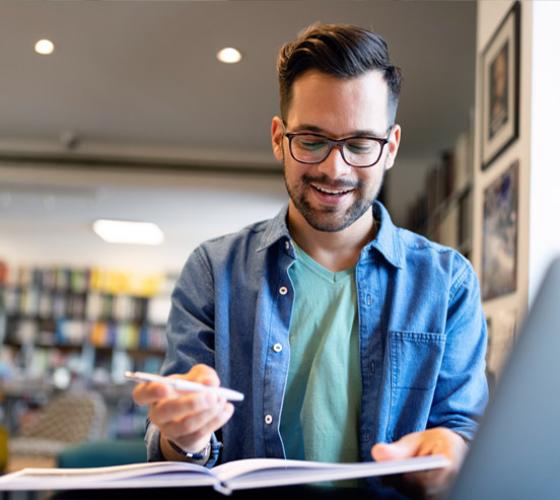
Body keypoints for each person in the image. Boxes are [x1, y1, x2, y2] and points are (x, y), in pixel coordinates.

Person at [132, 23, 488, 493]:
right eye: (312, 140)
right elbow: (174, 448)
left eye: (360, 144)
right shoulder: (212, 271)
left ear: (391, 148)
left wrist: (452, 456)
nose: (333, 168)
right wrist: (186, 435)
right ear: (279, 137)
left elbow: (463, 434)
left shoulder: (449, 283)